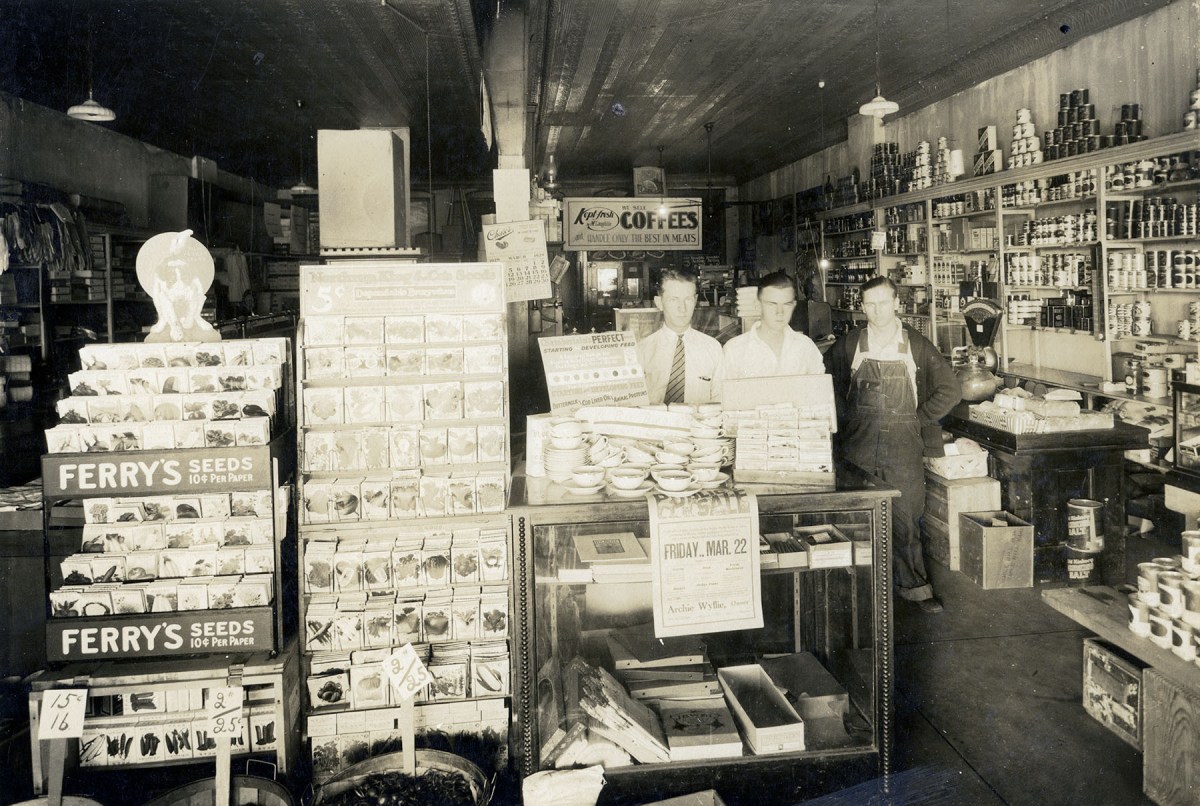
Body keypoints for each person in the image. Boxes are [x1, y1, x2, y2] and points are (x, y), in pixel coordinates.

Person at [825, 276, 961, 613]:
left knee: (905, 517)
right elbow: (825, 384)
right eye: (870, 304)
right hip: (858, 443)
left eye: (884, 302)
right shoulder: (850, 344)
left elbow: (950, 390)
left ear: (897, 303)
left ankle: (914, 588)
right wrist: (844, 420)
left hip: (903, 445)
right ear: (862, 307)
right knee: (854, 514)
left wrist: (918, 418)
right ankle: (852, 589)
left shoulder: (916, 344)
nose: (877, 310)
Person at [636, 268, 724, 405]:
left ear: (695, 300)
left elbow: (720, 399)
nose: (682, 308)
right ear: (659, 302)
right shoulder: (642, 350)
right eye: (674, 300)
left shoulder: (713, 348)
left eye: (688, 299)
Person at [723, 271, 825, 379]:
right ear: (758, 305)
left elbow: (820, 388)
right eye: (772, 304)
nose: (780, 312)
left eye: (786, 304)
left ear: (793, 305)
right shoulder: (734, 350)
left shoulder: (806, 347)